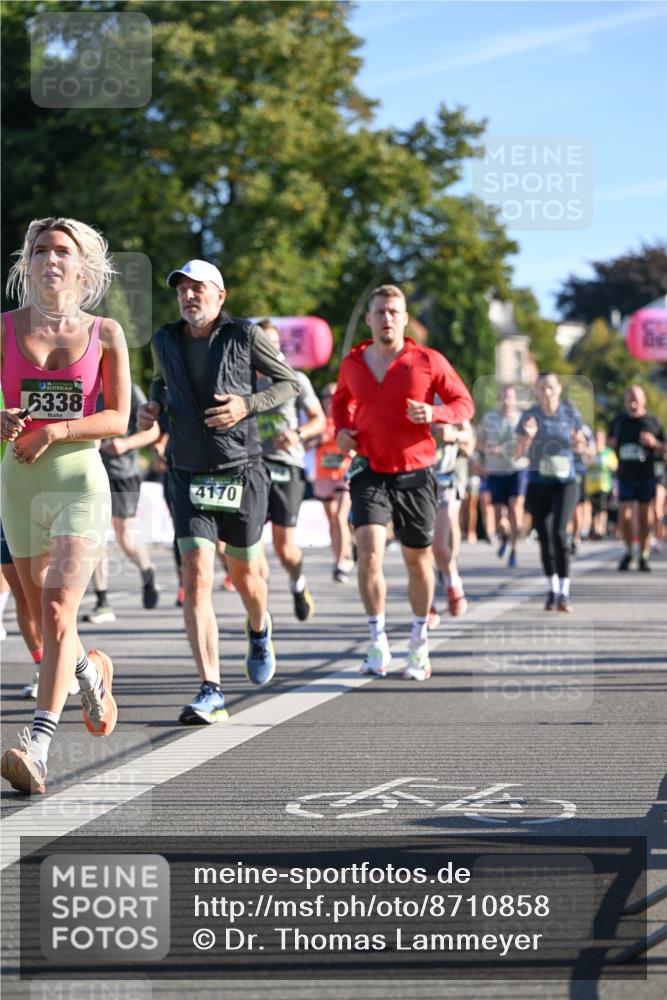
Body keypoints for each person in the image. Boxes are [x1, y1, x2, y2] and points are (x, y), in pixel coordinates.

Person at [137, 259, 300, 724]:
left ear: (220, 296)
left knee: (247, 577)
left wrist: (247, 404)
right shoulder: (164, 339)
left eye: (199, 289)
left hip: (241, 470)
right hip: (187, 472)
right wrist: (152, 406)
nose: (189, 296)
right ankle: (211, 689)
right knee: (197, 576)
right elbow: (160, 382)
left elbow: (289, 383)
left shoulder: (245, 335)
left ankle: (258, 626)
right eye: (182, 289)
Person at [1, 216, 129, 794]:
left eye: (63, 251)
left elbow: (118, 419)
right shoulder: (3, 328)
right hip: (18, 486)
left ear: (82, 266)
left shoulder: (106, 333)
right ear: (27, 263)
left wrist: (56, 431)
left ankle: (38, 746)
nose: (51, 258)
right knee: (44, 617)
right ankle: (90, 672)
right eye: (41, 250)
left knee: (56, 613)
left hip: (79, 484)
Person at [333, 284, 474, 681]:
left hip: (416, 472)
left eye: (394, 311)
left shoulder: (427, 360)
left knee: (417, 560)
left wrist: (433, 412)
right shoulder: (354, 363)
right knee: (370, 553)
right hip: (370, 470)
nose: (387, 318)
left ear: (405, 318)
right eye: (380, 312)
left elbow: (465, 403)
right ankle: (378, 641)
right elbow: (340, 403)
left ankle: (418, 642)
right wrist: (342, 430)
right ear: (369, 319)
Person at [254, 320, 325, 620]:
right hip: (252, 466)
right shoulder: (241, 381)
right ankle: (259, 610)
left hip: (287, 466)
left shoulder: (296, 379)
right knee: (249, 544)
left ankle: (298, 583)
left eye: (272, 343)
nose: (266, 349)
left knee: (285, 549)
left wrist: (296, 435)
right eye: (260, 344)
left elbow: (318, 419)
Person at [83, 382, 161, 623]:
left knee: (124, 536)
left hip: (124, 473)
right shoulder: (81, 388)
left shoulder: (127, 388)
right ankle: (102, 602)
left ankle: (147, 570)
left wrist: (125, 444)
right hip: (92, 472)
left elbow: (153, 431)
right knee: (95, 536)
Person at [515, 372, 588, 612]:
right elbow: (516, 454)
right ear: (536, 391)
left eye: (551, 387)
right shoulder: (529, 416)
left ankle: (565, 592)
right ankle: (552, 589)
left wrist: (580, 445)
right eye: (542, 388)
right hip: (538, 482)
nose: (547, 392)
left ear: (558, 389)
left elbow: (586, 448)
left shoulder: (570, 413)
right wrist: (529, 438)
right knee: (545, 539)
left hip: (565, 482)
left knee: (558, 532)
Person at [609, 385, 666, 572]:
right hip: (625, 475)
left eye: (636, 398)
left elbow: (663, 448)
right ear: (626, 401)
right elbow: (609, 442)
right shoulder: (618, 421)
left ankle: (643, 554)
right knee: (624, 517)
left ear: (644, 400)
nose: (633, 401)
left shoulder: (652, 422)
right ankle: (627, 551)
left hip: (645, 476)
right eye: (630, 398)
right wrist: (611, 443)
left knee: (644, 517)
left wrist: (654, 443)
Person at [475, 384, 528, 568]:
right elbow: (479, 444)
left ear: (515, 400)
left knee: (515, 508)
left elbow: (528, 444)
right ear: (499, 400)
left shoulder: (522, 418)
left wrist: (512, 449)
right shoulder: (489, 418)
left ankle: (514, 550)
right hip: (496, 471)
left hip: (517, 469)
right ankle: (505, 536)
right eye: (504, 397)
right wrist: (487, 451)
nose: (506, 401)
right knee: (499, 517)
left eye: (510, 397)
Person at [430, 421, 475, 625]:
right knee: (419, 549)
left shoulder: (446, 396)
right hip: (415, 476)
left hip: (448, 475)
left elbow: (469, 436)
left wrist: (452, 434)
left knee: (440, 544)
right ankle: (427, 604)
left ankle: (452, 578)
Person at [312, 382, 354, 584]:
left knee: (340, 517)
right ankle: (342, 552)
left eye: (333, 395)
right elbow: (303, 444)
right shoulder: (318, 419)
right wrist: (316, 439)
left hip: (345, 473)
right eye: (325, 396)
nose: (329, 400)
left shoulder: (347, 418)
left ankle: (340, 564)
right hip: (324, 474)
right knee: (332, 520)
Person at [583, 428, 617, 540]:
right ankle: (589, 530)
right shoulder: (590, 451)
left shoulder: (608, 452)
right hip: (590, 485)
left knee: (602, 509)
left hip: (603, 484)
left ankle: (600, 530)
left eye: (600, 437)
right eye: (596, 437)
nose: (598, 440)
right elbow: (585, 465)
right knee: (590, 509)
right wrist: (591, 456)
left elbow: (614, 466)